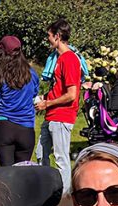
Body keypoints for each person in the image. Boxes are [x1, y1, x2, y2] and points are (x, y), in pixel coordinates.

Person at [35, 18, 82, 194]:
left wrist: (47, 103)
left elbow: (71, 94)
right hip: (52, 115)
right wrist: (44, 98)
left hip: (62, 116)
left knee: (61, 158)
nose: (47, 39)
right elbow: (59, 89)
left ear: (57, 36)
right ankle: (46, 189)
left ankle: (65, 196)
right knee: (41, 153)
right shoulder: (60, 59)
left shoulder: (69, 59)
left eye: (49, 35)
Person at [0, 35, 40, 166]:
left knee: (6, 171)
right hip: (26, 128)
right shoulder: (31, 74)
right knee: (22, 172)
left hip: (4, 126)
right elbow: (34, 93)